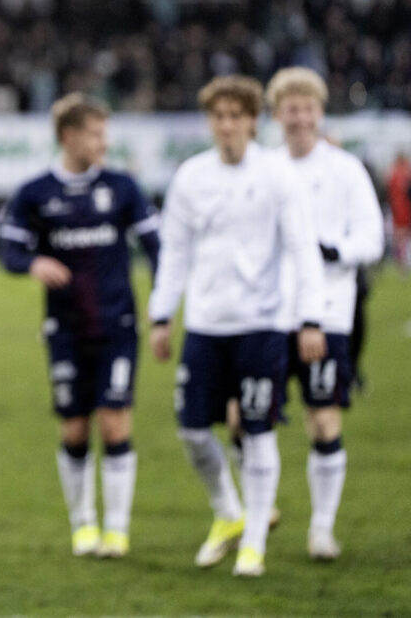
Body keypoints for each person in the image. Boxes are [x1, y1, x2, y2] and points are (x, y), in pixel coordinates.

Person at [147, 75, 326, 577]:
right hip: (205, 325)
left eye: (235, 116)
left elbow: (302, 248)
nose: (226, 126)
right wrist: (162, 313)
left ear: (252, 121)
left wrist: (310, 317)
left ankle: (253, 545)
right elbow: (175, 251)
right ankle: (229, 512)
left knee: (257, 429)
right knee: (191, 431)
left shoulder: (276, 175)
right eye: (218, 117)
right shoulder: (191, 177)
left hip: (261, 325)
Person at [0, 93, 159, 558]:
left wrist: (162, 304)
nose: (103, 143)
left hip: (117, 326)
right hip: (65, 330)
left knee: (114, 423)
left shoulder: (122, 187)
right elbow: (9, 252)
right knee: (74, 429)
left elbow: (157, 246)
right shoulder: (35, 193)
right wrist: (34, 263)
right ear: (68, 136)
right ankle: (83, 525)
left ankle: (117, 531)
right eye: (95, 134)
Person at [265, 67, 384, 560]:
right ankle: (257, 509)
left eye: (308, 108)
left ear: (320, 111)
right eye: (291, 109)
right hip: (271, 313)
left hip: (329, 312)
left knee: (323, 417)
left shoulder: (345, 169)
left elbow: (372, 237)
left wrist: (333, 251)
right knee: (245, 416)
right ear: (277, 115)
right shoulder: (265, 168)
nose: (300, 117)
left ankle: (321, 529)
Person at [387, 152, 411, 269]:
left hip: (398, 210)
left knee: (400, 238)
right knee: (403, 237)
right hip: (403, 210)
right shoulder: (405, 174)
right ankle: (403, 262)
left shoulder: (393, 174)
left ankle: (401, 262)